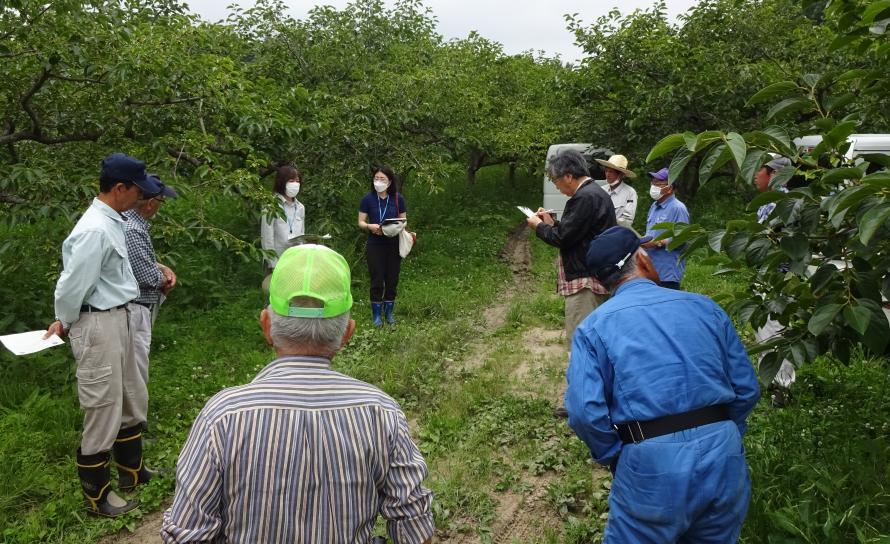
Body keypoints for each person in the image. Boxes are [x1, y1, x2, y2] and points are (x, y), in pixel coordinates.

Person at [160, 244, 434, 543]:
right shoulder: (381, 412)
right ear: (347, 334)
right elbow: (415, 528)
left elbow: (187, 535)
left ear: (266, 327)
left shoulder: (222, 416)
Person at [566, 226, 760, 543]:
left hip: (650, 461)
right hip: (723, 454)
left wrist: (616, 456)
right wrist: (724, 433)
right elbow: (746, 388)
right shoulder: (705, 307)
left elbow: (584, 412)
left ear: (602, 283)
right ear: (642, 259)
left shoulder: (593, 328)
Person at [44, 153, 163, 517]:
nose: (141, 198)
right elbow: (71, 286)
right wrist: (63, 320)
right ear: (119, 188)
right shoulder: (94, 228)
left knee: (129, 395)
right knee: (103, 403)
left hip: (121, 316)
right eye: (137, 191)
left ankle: (132, 471)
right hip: (98, 323)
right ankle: (98, 495)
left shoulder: (114, 221)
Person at [527, 149, 616, 417]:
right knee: (594, 340)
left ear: (568, 175)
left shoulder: (584, 197)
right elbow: (574, 232)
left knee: (581, 341)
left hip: (585, 282)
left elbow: (563, 239)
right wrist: (554, 223)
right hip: (595, 276)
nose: (555, 185)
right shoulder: (594, 194)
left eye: (555, 180)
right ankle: (595, 397)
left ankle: (581, 403)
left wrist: (538, 227)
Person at [120, 175, 178, 493]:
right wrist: (164, 276)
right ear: (150, 201)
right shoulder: (132, 228)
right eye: (159, 201)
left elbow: (143, 264)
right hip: (134, 310)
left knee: (135, 379)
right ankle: (130, 463)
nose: (159, 207)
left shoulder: (131, 225)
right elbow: (142, 273)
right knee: (134, 379)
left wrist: (159, 268)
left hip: (137, 309)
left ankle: (133, 458)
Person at [754, 156, 796, 405]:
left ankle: (781, 387)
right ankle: (772, 384)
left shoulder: (780, 201)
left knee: (775, 333)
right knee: (765, 333)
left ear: (773, 173)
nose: (755, 174)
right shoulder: (767, 202)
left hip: (777, 280)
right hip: (768, 277)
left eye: (760, 169)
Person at [357, 166, 406, 326]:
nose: (379, 182)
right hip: (375, 244)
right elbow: (361, 222)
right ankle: (376, 315)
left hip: (393, 244)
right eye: (376, 178)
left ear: (390, 181)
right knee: (377, 279)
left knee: (392, 279)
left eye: (382, 179)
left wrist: (392, 228)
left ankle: (389, 313)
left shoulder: (398, 198)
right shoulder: (367, 199)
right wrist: (370, 226)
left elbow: (403, 221)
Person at [640, 167, 690, 289]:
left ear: (670, 188)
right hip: (651, 269)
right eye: (653, 182)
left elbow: (683, 239)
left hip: (667, 272)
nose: (654, 185)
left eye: (658, 183)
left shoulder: (678, 208)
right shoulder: (654, 206)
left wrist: (657, 243)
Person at [261, 165, 305, 292]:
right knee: (274, 297)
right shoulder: (271, 205)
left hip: (295, 261)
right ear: (282, 182)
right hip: (277, 261)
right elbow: (267, 237)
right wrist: (273, 264)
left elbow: (301, 234)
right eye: (291, 181)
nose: (295, 184)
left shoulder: (301, 207)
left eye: (297, 181)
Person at [595, 154, 638, 228]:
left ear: (621, 175)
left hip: (616, 233)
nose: (607, 174)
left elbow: (627, 221)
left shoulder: (630, 192)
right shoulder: (601, 190)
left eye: (611, 172)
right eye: (606, 171)